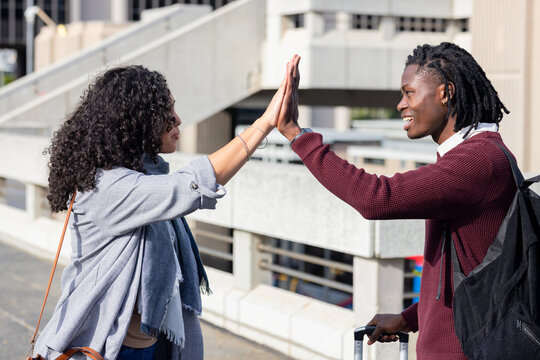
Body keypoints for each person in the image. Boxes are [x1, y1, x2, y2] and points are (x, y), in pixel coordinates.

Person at [33, 60, 292, 360]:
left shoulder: (146, 176)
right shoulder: (108, 187)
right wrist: (265, 123)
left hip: (152, 345)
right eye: (166, 112)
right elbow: (191, 185)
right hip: (107, 347)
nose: (178, 119)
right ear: (138, 121)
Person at [278, 44, 516, 359]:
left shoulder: (477, 161)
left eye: (409, 93)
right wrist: (408, 318)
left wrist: (298, 136)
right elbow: (474, 274)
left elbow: (375, 197)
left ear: (445, 93)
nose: (400, 104)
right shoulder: (477, 155)